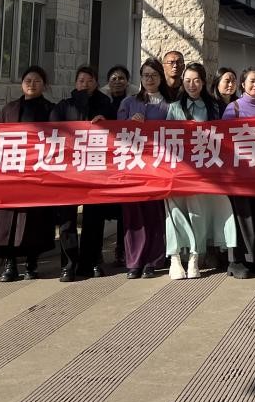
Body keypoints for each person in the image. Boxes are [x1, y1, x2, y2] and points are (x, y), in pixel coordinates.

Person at [165, 63, 236, 279]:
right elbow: (166, 138)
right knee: (173, 213)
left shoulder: (214, 107)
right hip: (179, 170)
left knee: (197, 214)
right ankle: (175, 257)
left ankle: (195, 256)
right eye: (187, 81)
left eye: (196, 80)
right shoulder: (174, 107)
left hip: (205, 172)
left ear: (203, 82)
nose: (192, 85)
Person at [0, 66, 56, 282]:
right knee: (6, 219)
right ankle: (9, 264)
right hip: (10, 172)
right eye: (28, 80)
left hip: (38, 173)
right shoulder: (10, 109)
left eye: (37, 81)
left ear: (44, 85)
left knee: (34, 221)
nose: (32, 84)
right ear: (21, 84)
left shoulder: (51, 110)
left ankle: (32, 263)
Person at [51, 66, 117, 281]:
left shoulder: (105, 104)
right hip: (69, 170)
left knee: (94, 218)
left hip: (96, 169)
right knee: (67, 219)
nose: (85, 84)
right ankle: (68, 264)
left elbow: (117, 132)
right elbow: (51, 131)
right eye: (81, 80)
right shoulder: (64, 106)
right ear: (75, 83)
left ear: (96, 83)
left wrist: (104, 124)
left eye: (89, 80)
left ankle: (93, 260)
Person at [118, 58, 174, 278]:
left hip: (157, 167)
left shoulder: (170, 105)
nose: (149, 79)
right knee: (133, 215)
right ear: (140, 78)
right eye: (146, 75)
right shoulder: (129, 102)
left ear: (161, 78)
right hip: (132, 167)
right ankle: (134, 261)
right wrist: (129, 123)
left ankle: (153, 260)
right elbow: (115, 133)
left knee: (154, 214)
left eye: (154, 75)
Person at [223, 68, 255, 277]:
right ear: (243, 84)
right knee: (241, 217)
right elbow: (224, 140)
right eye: (252, 81)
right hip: (239, 173)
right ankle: (237, 261)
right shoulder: (233, 108)